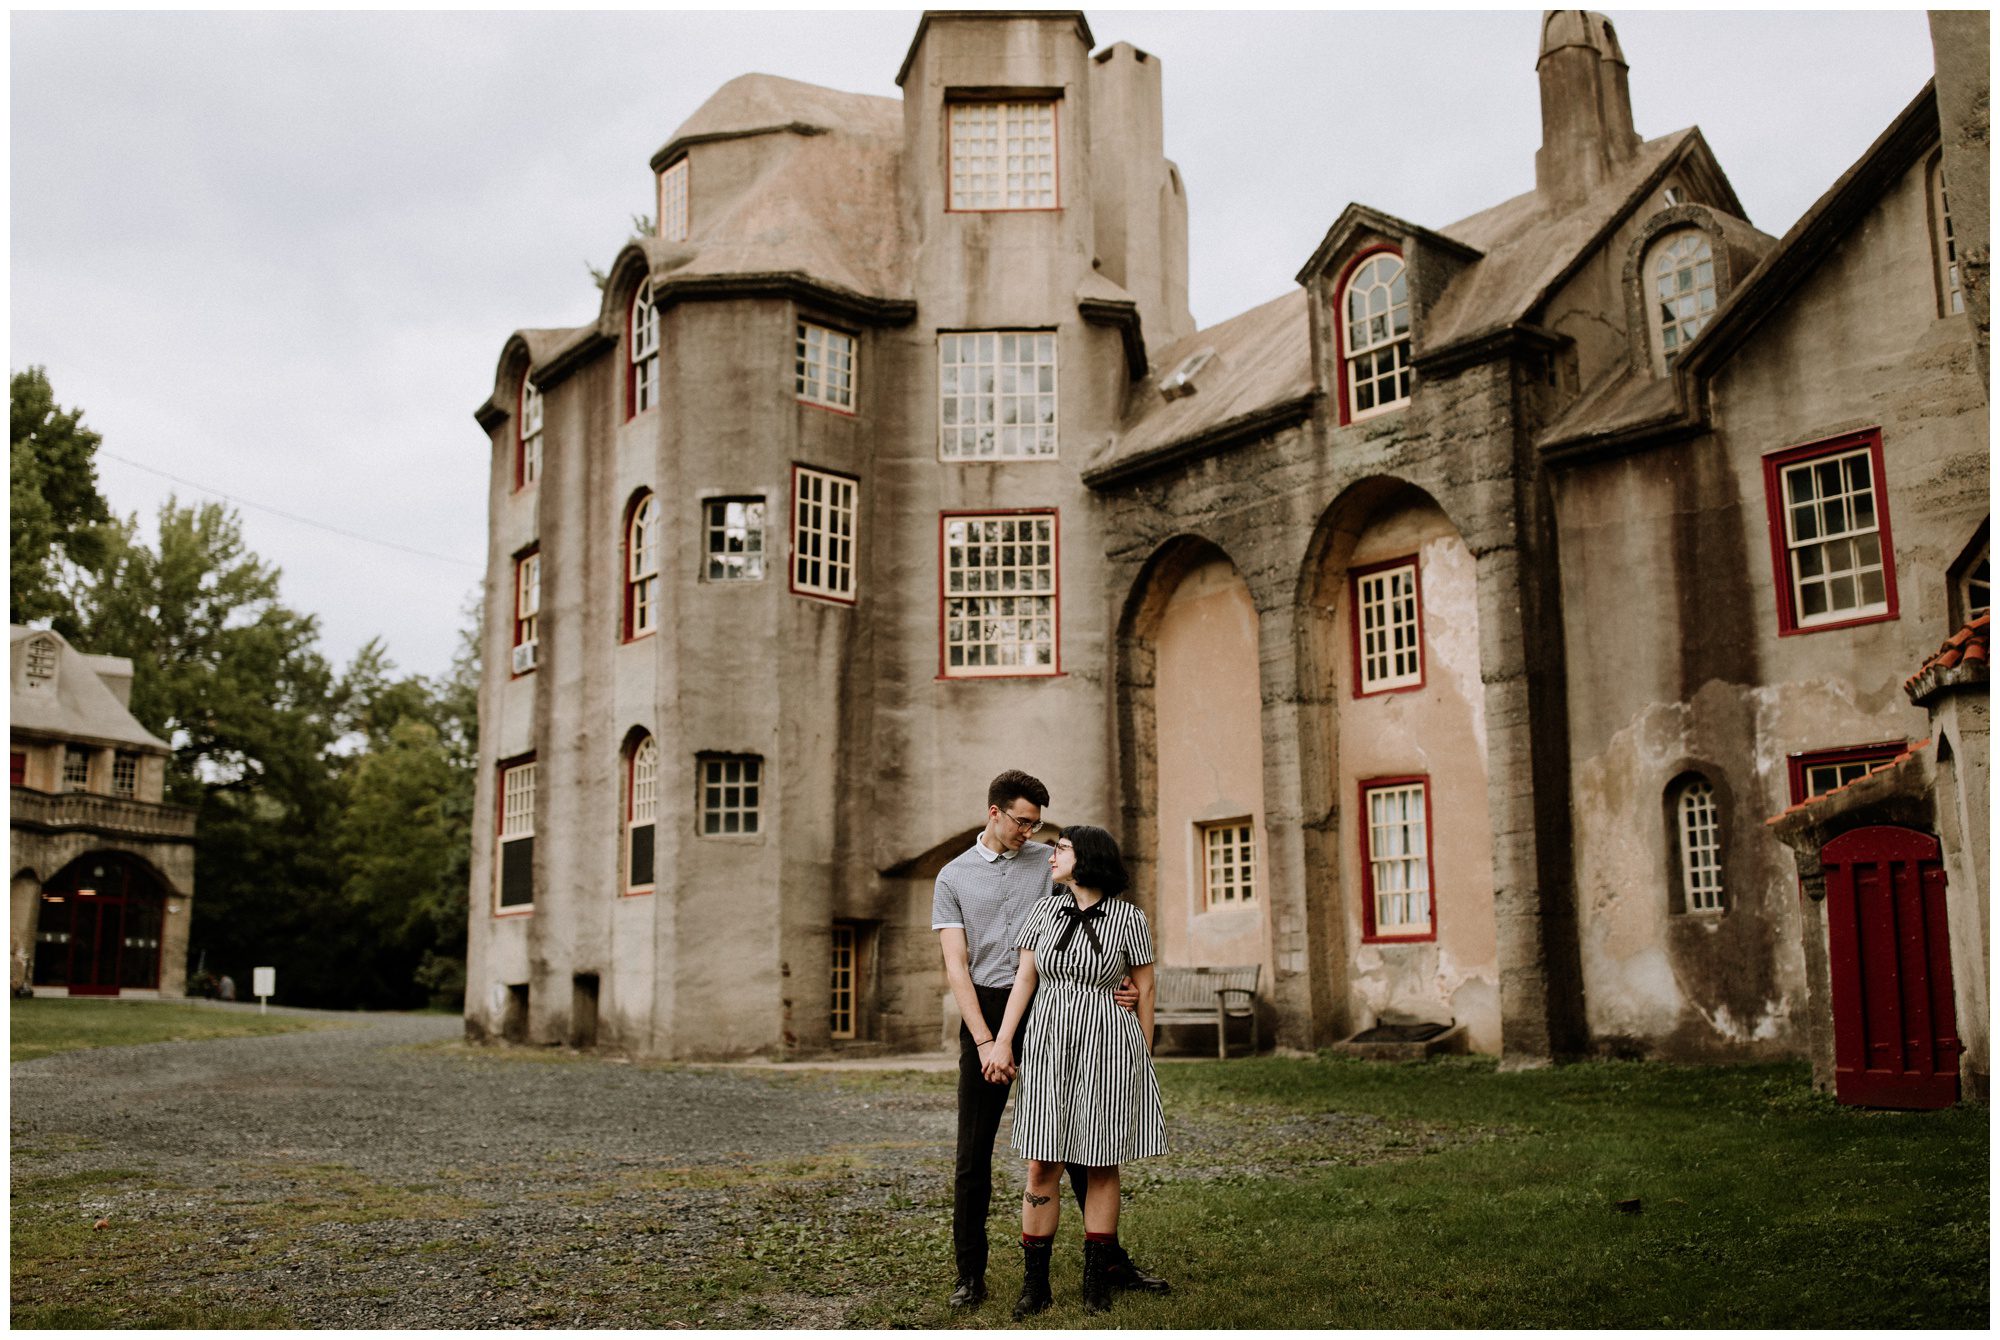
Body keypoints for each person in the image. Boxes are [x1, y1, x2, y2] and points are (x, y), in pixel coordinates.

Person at [932, 771, 1168, 1310]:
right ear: (994, 812)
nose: (1031, 832)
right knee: (974, 1153)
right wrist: (988, 1041)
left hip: (1063, 1007)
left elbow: (1100, 924)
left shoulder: (1050, 861)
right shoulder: (953, 876)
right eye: (1022, 821)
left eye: (1038, 824)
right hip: (993, 1009)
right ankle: (971, 1274)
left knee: (1085, 1144)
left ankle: (1107, 1262)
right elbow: (955, 966)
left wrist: (1126, 990)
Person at [986, 824, 1166, 1317]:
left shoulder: (1131, 918)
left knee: (1101, 1161)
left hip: (1111, 1047)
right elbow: (1024, 979)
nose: (1051, 855)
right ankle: (1035, 1284)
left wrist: (1143, 1054)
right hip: (1047, 1044)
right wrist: (1003, 1043)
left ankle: (1096, 1280)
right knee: (1042, 1162)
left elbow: (1145, 989)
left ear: (1085, 858)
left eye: (1061, 848)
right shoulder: (1042, 911)